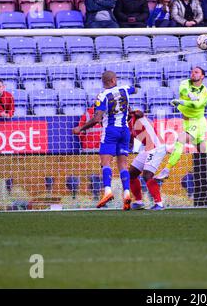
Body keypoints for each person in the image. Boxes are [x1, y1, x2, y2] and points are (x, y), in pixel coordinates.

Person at [72, 71, 137, 210]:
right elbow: (135, 89)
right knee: (123, 164)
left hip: (110, 132)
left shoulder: (102, 96)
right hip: (125, 131)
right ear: (113, 80)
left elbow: (97, 119)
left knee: (105, 162)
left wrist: (81, 128)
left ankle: (107, 192)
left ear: (104, 82)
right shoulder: (125, 89)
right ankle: (126, 193)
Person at [128, 109, 167, 210]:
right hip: (147, 148)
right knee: (131, 173)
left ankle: (159, 204)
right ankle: (139, 202)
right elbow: (132, 138)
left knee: (147, 175)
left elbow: (140, 113)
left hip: (157, 147)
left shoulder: (135, 115)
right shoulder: (127, 124)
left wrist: (132, 112)